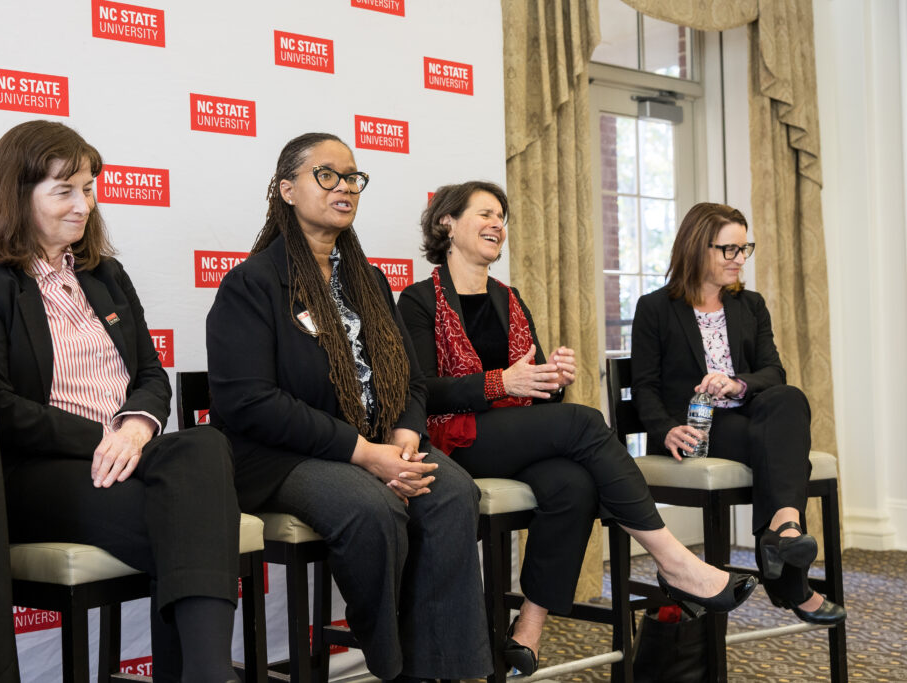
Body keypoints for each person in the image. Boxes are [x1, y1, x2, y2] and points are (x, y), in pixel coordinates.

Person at [398, 181, 758, 675]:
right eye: (485, 213)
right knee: (585, 422)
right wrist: (502, 381)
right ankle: (673, 560)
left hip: (514, 433)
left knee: (573, 484)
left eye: (502, 216)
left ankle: (528, 626)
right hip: (456, 438)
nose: (497, 224)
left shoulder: (510, 298)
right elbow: (423, 391)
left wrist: (553, 379)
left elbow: (540, 392)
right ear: (447, 223)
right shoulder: (417, 301)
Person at [0, 120, 243, 683]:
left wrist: (134, 429)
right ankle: (208, 674)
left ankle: (204, 675)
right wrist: (107, 441)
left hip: (126, 457)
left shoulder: (105, 275)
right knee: (196, 515)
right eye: (64, 190)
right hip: (36, 473)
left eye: (89, 187)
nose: (84, 204)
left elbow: (152, 374)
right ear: (16, 195)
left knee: (201, 448)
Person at [205, 133, 491, 683]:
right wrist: (364, 454)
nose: (345, 187)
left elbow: (408, 379)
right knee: (372, 508)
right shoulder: (252, 284)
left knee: (454, 492)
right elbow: (250, 403)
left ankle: (447, 668)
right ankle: (394, 665)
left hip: (380, 442)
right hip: (280, 456)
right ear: (287, 190)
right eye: (327, 175)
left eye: (353, 177)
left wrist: (406, 435)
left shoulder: (369, 280)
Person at [630, 201, 846, 626]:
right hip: (696, 430)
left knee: (787, 397)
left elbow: (773, 371)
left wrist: (737, 383)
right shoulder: (655, 308)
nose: (740, 259)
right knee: (784, 452)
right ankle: (791, 578)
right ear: (697, 248)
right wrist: (667, 429)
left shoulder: (750, 304)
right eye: (729, 249)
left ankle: (782, 530)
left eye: (744, 248)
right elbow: (645, 387)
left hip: (751, 416)